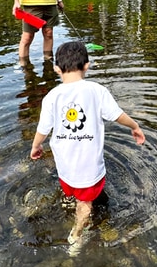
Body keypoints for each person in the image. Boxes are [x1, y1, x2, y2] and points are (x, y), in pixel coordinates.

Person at [30, 40, 145, 252]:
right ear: (86, 66)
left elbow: (43, 128)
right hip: (90, 168)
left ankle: (68, 202)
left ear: (56, 69)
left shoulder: (51, 97)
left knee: (70, 192)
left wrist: (35, 147)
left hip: (64, 168)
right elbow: (118, 116)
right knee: (85, 203)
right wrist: (135, 126)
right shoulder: (96, 90)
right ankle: (76, 233)